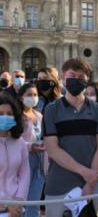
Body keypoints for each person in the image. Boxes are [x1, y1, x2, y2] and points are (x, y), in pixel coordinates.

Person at [43, 58, 98, 216]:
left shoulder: (97, 109)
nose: (76, 80)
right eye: (72, 75)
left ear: (87, 80)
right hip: (59, 185)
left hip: (91, 187)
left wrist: (90, 182)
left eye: (81, 77)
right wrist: (86, 173)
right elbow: (53, 150)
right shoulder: (52, 109)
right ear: (63, 78)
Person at [17, 82, 45, 217]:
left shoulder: (39, 116)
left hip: (40, 162)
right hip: (23, 161)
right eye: (29, 95)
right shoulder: (17, 116)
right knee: (22, 200)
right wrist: (30, 146)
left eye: (35, 95)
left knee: (34, 200)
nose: (33, 97)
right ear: (21, 97)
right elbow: (13, 139)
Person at [0, 93, 30, 216]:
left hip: (16, 209)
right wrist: (7, 203)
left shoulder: (20, 142)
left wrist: (19, 200)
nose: (5, 117)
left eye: (9, 114)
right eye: (1, 113)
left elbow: (25, 173)